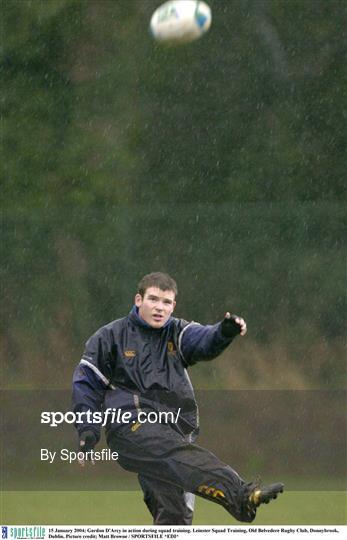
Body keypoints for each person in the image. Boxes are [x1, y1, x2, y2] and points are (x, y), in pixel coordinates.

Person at [72, 272, 283, 525]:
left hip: (175, 431)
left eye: (166, 302)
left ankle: (227, 502)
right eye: (153, 299)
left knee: (175, 519)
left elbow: (204, 340)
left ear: (174, 306)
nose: (159, 307)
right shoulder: (110, 337)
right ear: (138, 300)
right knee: (177, 456)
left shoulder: (177, 332)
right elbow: (86, 385)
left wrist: (223, 333)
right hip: (131, 428)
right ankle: (241, 495)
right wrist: (88, 430)